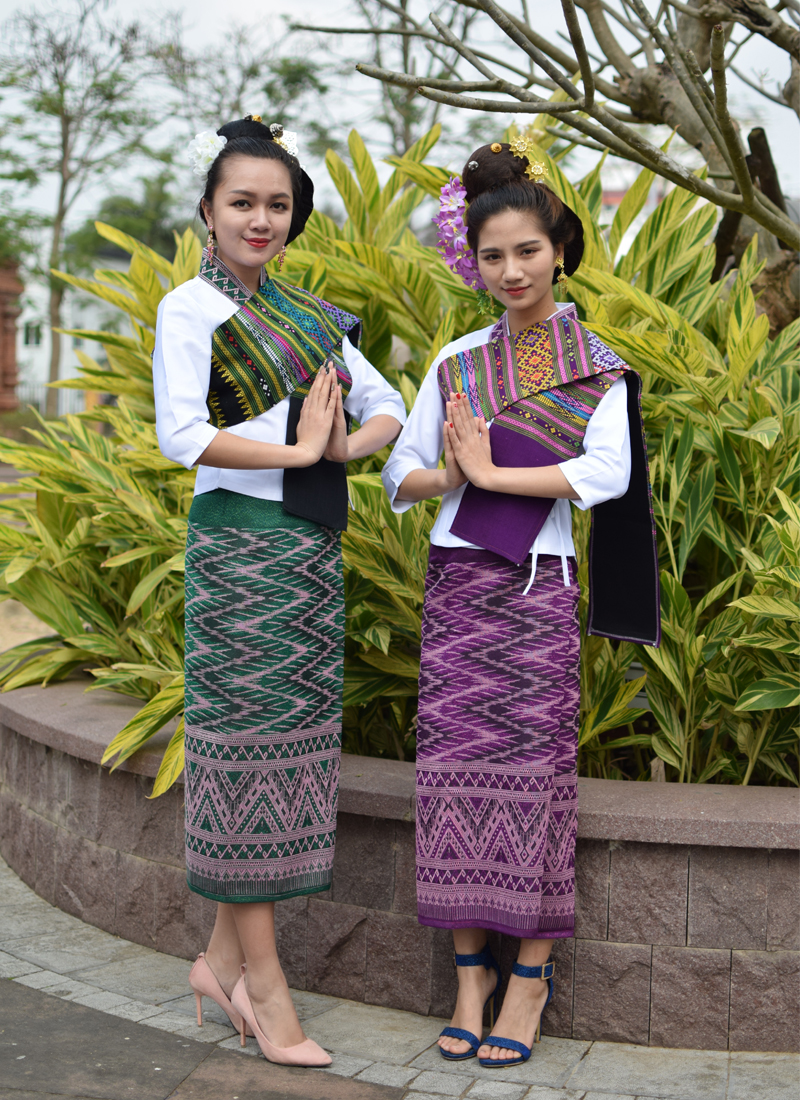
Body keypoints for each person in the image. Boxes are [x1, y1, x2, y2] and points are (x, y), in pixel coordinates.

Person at [382, 140, 659, 1069]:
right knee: (453, 781)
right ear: (476, 262)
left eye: (528, 251)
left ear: (560, 250)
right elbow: (400, 473)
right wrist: (449, 477)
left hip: (537, 591)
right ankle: (470, 980)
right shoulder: (458, 360)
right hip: (461, 586)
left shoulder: (595, 365)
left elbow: (607, 473)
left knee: (537, 784)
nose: (512, 271)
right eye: (493, 256)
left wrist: (497, 472)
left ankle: (529, 982)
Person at [153, 115, 405, 1067]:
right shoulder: (190, 310)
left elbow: (390, 407)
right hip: (235, 551)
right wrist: (299, 453)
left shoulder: (309, 319)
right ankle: (264, 989)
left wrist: (339, 447)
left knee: (284, 759)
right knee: (241, 760)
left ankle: (217, 962)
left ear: (294, 217)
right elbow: (183, 435)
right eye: (242, 203)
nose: (260, 219)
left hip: (306, 557)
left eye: (277, 204)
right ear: (208, 212)